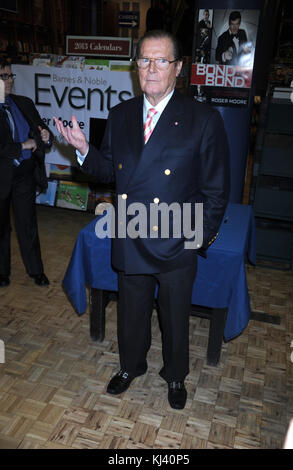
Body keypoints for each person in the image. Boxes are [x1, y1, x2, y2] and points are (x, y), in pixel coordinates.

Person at [54, 30, 230, 410]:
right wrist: (84, 149)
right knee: (132, 312)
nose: (151, 69)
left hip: (176, 238)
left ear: (178, 68)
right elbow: (107, 171)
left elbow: (216, 191)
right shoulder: (121, 115)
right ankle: (131, 366)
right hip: (131, 232)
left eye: (161, 61)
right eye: (144, 60)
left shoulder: (202, 119)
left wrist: (196, 240)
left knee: (175, 316)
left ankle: (176, 374)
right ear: (136, 67)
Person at [0, 59, 51, 287]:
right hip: (2, 174)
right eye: (3, 76)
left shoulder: (24, 103)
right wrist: (23, 145)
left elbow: (41, 128)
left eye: (10, 76)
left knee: (27, 223)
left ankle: (36, 271)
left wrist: (46, 136)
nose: (8, 81)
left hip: (25, 174)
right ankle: (2, 272)